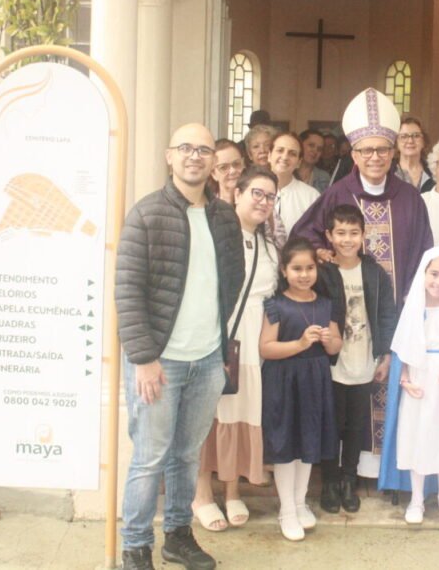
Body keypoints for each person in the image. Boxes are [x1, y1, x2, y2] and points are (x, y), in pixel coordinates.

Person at [115, 124, 245, 570]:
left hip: (207, 359)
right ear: (169, 157)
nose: (195, 156)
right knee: (150, 458)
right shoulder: (147, 214)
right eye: (186, 148)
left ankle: (176, 536)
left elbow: (233, 276)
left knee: (187, 456)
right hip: (161, 363)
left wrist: (218, 342)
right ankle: (134, 547)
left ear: (214, 161)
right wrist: (145, 359)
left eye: (204, 150)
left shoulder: (224, 217)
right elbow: (127, 292)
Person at [291, 88, 434, 478]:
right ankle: (343, 473)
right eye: (367, 150)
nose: (375, 157)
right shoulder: (338, 193)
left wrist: (412, 301)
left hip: (393, 318)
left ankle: (385, 470)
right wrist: (323, 254)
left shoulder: (410, 199)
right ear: (353, 154)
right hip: (350, 322)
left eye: (382, 149)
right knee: (347, 399)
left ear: (393, 152)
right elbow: (305, 237)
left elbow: (425, 252)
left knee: (387, 387)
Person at [194, 168, 280, 532]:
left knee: (240, 415)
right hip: (216, 339)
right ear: (236, 194)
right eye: (256, 193)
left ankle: (231, 491)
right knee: (207, 417)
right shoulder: (214, 237)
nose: (263, 202)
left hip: (251, 351)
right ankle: (201, 494)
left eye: (270, 197)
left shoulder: (270, 247)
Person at [379, 247, 439, 524]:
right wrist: (405, 380)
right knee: (416, 437)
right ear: (424, 273)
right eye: (434, 274)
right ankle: (417, 499)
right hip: (419, 382)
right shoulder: (414, 308)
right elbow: (404, 348)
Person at [314, 204, 399, 514]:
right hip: (332, 363)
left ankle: (349, 479)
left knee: (355, 426)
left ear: (364, 235)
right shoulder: (322, 272)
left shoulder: (374, 272)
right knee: (331, 425)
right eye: (340, 233)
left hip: (364, 361)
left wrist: (385, 354)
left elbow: (388, 313)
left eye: (353, 233)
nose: (347, 240)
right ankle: (329, 482)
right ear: (329, 236)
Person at [259, 237, 344, 541]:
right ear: (284, 270)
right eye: (297, 268)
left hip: (315, 379)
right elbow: (266, 348)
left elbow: (336, 343)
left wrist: (326, 340)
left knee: (309, 441)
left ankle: (299, 501)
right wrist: (300, 343)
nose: (304, 274)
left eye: (309, 268)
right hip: (283, 380)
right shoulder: (275, 304)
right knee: (285, 444)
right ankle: (286, 509)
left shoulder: (325, 304)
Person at [269, 132, 320, 247]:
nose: (285, 157)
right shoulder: (253, 190)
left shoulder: (311, 196)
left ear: (299, 162)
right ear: (269, 155)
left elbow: (316, 238)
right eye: (280, 150)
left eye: (292, 154)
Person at [393, 117, 434, 192]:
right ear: (396, 142)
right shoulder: (387, 171)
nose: (410, 141)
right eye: (404, 136)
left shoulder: (434, 172)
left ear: (424, 141)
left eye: (416, 136)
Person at [208, 138, 245, 204]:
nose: (232, 171)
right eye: (224, 167)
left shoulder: (254, 202)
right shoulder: (207, 207)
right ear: (213, 174)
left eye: (236, 164)